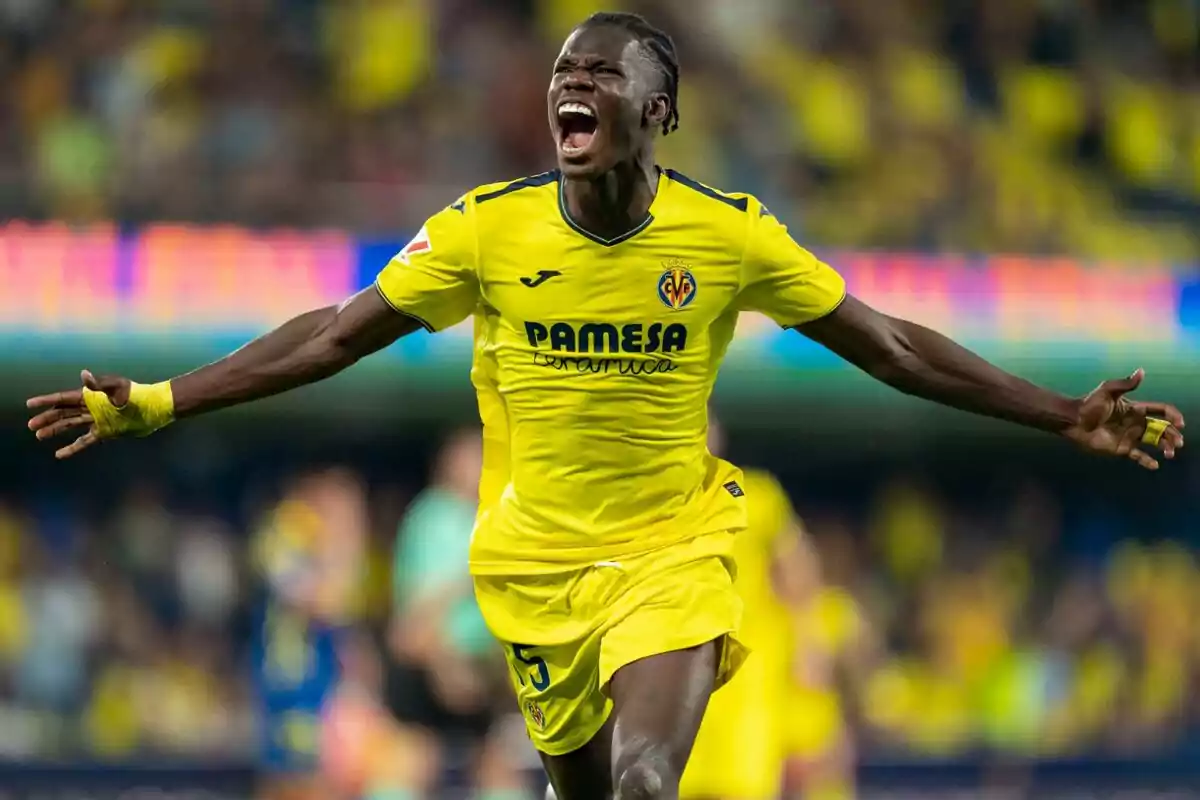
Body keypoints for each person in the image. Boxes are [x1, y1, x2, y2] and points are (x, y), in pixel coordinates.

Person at [26, 10, 1184, 800]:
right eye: (562, 74)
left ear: (659, 109)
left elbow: (889, 346)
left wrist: (1057, 412)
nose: (571, 86)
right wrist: (162, 401)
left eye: (602, 73)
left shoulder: (727, 235)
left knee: (641, 781)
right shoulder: (488, 227)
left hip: (674, 548)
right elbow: (332, 337)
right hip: (530, 566)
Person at [678, 415, 823, 800]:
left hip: (749, 674)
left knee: (746, 787)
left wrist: (808, 647)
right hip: (682, 671)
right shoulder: (659, 503)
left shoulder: (756, 496)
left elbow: (799, 573)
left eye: (706, 423)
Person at [386, 428, 529, 799]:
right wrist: (443, 661)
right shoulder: (434, 518)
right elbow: (419, 615)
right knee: (412, 759)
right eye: (475, 457)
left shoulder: (495, 515)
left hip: (485, 666)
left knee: (498, 767)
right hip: (436, 664)